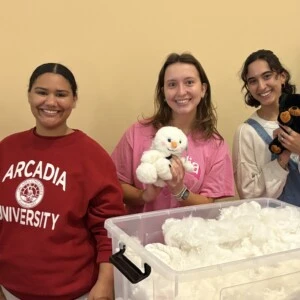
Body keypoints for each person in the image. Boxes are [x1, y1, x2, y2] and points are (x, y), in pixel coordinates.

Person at [0, 63, 126, 300]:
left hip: (74, 292)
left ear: (74, 100)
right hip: (10, 289)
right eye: (41, 92)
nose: (50, 102)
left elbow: (109, 229)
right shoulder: (7, 149)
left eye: (61, 94)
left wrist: (105, 283)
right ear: (29, 94)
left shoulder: (92, 156)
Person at [111, 52, 234, 214]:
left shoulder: (216, 145)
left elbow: (209, 203)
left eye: (189, 82)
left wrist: (180, 191)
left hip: (190, 236)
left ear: (203, 89)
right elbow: (115, 183)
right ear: (163, 93)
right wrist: (145, 195)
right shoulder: (137, 133)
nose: (181, 92)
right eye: (172, 84)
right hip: (140, 235)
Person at [232, 49, 300, 204]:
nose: (261, 86)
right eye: (253, 81)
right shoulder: (246, 132)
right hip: (273, 225)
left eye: (267, 76)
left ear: (282, 77)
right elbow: (248, 196)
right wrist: (282, 160)